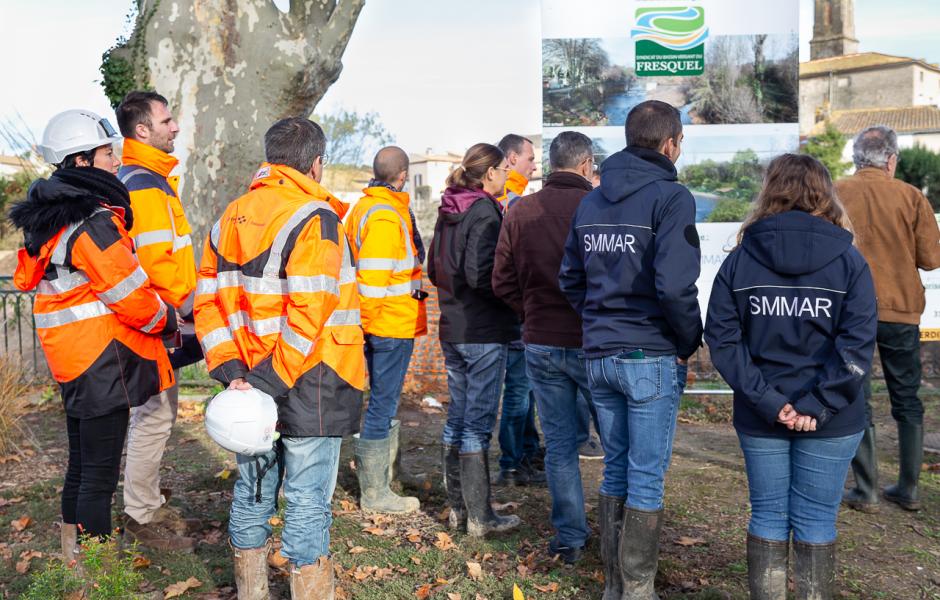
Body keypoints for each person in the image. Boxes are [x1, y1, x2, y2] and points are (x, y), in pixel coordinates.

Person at [194, 117, 364, 598]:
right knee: (308, 496)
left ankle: (251, 590)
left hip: (247, 378)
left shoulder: (228, 218)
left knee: (253, 488)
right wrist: (269, 380)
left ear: (270, 158)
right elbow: (309, 313)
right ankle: (309, 589)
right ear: (316, 163)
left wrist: (233, 374)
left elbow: (205, 304)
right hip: (312, 376)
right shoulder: (316, 217)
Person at [705, 153, 877, 599]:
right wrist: (815, 405)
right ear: (825, 194)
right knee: (816, 517)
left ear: (769, 191)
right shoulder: (850, 262)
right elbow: (857, 347)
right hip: (833, 417)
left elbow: (723, 341)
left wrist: (769, 401)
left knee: (767, 514)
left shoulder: (740, 260)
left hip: (765, 413)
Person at [10, 110, 177, 566]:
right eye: (106, 153)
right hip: (102, 359)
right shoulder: (92, 220)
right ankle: (100, 573)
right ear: (80, 160)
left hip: (74, 358)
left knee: (82, 467)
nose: (113, 161)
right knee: (98, 475)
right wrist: (168, 321)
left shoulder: (49, 219)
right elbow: (128, 293)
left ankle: (74, 563)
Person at [559, 100, 701, 599]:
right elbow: (676, 288)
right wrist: (687, 341)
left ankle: (616, 589)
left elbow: (570, 279)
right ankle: (636, 592)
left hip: (599, 354)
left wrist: (601, 322)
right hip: (648, 354)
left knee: (616, 466)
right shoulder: (673, 196)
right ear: (670, 144)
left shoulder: (591, 200)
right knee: (644, 476)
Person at [492, 131, 598, 564]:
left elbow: (501, 281)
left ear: (552, 163)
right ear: (587, 164)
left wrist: (531, 310)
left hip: (540, 341)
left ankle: (570, 536)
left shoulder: (522, 210)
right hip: (593, 341)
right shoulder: (598, 208)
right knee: (618, 444)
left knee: (558, 447)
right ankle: (617, 531)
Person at [837, 126, 940, 513]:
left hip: (851, 311)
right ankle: (909, 488)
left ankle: (866, 489)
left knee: (855, 398)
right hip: (901, 309)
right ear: (891, 160)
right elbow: (931, 259)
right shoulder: (912, 196)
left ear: (856, 158)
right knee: (907, 398)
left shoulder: (837, 192)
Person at [115, 91, 199, 551]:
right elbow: (156, 261)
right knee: (155, 414)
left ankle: (142, 502)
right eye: (167, 120)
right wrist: (189, 307)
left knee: (155, 413)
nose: (175, 127)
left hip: (161, 318)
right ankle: (140, 514)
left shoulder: (146, 178)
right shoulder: (145, 184)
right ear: (142, 130)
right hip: (160, 320)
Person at [427, 143, 521, 537]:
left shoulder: (449, 207)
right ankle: (480, 517)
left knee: (459, 418)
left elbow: (433, 268)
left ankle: (459, 511)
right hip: (481, 330)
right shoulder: (483, 210)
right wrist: (513, 301)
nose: (506, 176)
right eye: (502, 170)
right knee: (477, 425)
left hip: (454, 325)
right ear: (489, 174)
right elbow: (481, 273)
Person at [345, 146, 427, 513]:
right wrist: (368, 327)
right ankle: (375, 491)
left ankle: (387, 476)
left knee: (385, 400)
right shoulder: (383, 216)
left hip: (383, 321)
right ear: (403, 174)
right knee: (382, 403)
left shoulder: (364, 208)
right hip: (387, 324)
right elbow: (373, 282)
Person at [492, 133, 545, 486]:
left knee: (524, 390)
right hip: (515, 316)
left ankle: (527, 449)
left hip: (516, 313)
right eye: (530, 158)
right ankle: (511, 462)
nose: (535, 165)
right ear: (510, 159)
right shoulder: (509, 202)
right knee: (518, 392)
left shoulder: (513, 198)